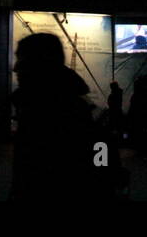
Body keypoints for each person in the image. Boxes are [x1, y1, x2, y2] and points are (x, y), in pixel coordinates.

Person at [10, 32, 116, 200]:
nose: (15, 67)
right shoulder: (75, 111)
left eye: (22, 59)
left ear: (40, 63)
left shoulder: (44, 114)